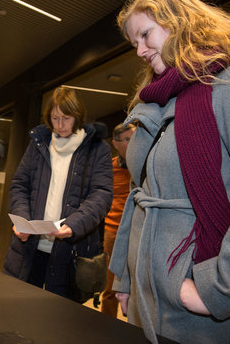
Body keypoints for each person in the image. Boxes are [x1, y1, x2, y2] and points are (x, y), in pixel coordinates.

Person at [108, 0, 230, 344]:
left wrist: (217, 289)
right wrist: (125, 278)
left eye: (145, 35)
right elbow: (138, 195)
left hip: (201, 316)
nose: (141, 51)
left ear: (178, 20)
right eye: (135, 44)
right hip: (146, 305)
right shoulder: (154, 102)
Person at [3, 87, 113, 300]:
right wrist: (22, 218)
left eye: (66, 118)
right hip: (30, 248)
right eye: (55, 118)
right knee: (21, 308)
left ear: (77, 116)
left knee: (61, 320)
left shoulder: (97, 149)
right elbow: (20, 185)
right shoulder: (38, 144)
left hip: (69, 252)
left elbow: (102, 194)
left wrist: (75, 223)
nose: (60, 125)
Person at [100, 122, 135, 317]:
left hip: (138, 232)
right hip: (114, 232)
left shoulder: (145, 165)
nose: (133, 143)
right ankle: (106, 330)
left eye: (134, 138)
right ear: (115, 143)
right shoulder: (110, 168)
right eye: (127, 139)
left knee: (138, 289)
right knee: (111, 287)